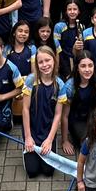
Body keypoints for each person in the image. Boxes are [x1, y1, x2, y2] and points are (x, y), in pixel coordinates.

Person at [20, 46, 67, 178]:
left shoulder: (60, 85)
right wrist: (28, 137)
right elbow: (25, 109)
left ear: (54, 61)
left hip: (47, 131)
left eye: (47, 60)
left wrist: (50, 139)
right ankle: (26, 144)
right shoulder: (30, 81)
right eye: (40, 62)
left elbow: (58, 114)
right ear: (36, 64)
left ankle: (48, 144)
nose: (45, 65)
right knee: (32, 171)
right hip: (32, 130)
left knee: (48, 171)